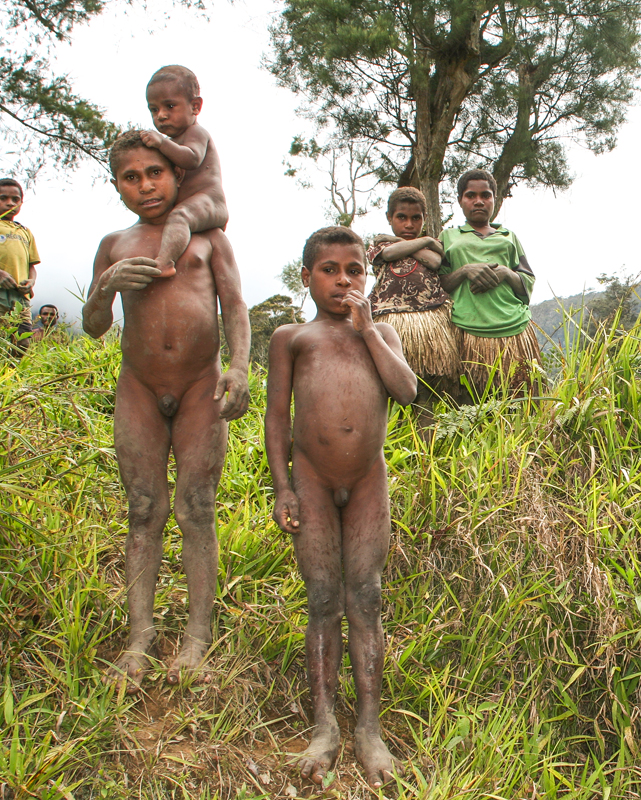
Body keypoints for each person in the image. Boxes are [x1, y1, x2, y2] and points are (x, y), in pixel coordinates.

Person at [82, 130, 250, 686]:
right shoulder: (115, 243)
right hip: (140, 390)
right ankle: (139, 640)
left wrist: (239, 368)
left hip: (201, 386)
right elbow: (95, 326)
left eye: (155, 173)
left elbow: (235, 307)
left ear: (179, 177)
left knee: (197, 507)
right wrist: (105, 288)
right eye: (131, 177)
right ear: (117, 187)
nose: (145, 185)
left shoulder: (207, 241)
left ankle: (197, 639)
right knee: (143, 509)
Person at [266, 227, 417, 788]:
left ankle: (369, 729)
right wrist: (282, 487)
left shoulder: (384, 334)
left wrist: (370, 330)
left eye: (354, 270)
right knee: (323, 595)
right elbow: (277, 419)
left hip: (367, 479)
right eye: (329, 270)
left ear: (367, 277)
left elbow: (406, 391)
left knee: (367, 596)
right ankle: (325, 725)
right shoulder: (292, 337)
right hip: (310, 478)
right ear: (307, 278)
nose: (343, 281)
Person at [439, 169, 539, 395]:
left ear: (495, 199)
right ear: (460, 200)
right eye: (470, 195)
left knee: (519, 402)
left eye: (486, 195)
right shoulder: (448, 237)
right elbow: (437, 285)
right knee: (468, 402)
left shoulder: (508, 237)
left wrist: (505, 272)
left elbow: (527, 282)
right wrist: (465, 270)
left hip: (513, 329)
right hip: (467, 331)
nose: (479, 201)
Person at [367, 186, 461, 409]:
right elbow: (389, 254)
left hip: (429, 326)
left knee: (427, 389)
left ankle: (425, 440)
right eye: (401, 217)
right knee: (390, 387)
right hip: (391, 323)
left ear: (424, 218)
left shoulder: (427, 245)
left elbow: (435, 261)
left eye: (415, 218)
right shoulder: (380, 244)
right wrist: (421, 242)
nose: (409, 224)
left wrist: (423, 241)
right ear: (389, 217)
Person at [141, 65, 227, 278]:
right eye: (154, 109)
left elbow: (192, 158)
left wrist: (161, 143)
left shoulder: (195, 133)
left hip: (209, 203)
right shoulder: (171, 143)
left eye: (170, 106)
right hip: (192, 207)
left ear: (195, 106)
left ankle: (164, 263)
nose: (161, 115)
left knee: (179, 216)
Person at [0, 178, 39, 357]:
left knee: (22, 342)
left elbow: (32, 265)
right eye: (3, 198)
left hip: (20, 298)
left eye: (15, 199)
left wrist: (31, 281)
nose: (10, 203)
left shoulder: (25, 232)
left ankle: (11, 376)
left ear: (21, 202)